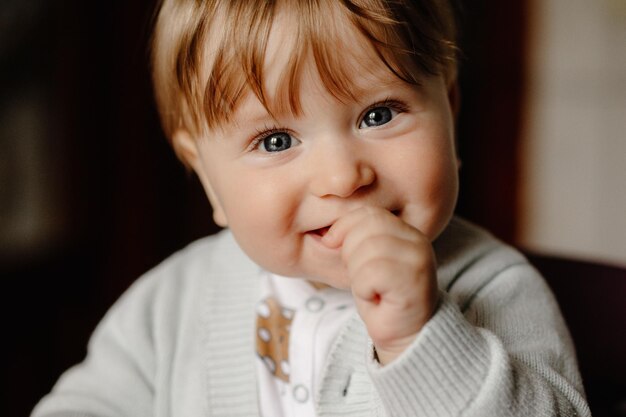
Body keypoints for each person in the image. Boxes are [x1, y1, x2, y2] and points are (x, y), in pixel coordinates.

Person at [32, 1, 591, 416]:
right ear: (207, 178)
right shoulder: (172, 305)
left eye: (379, 114)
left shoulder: (496, 289)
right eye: (275, 141)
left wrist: (419, 339)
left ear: (449, 107)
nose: (343, 177)